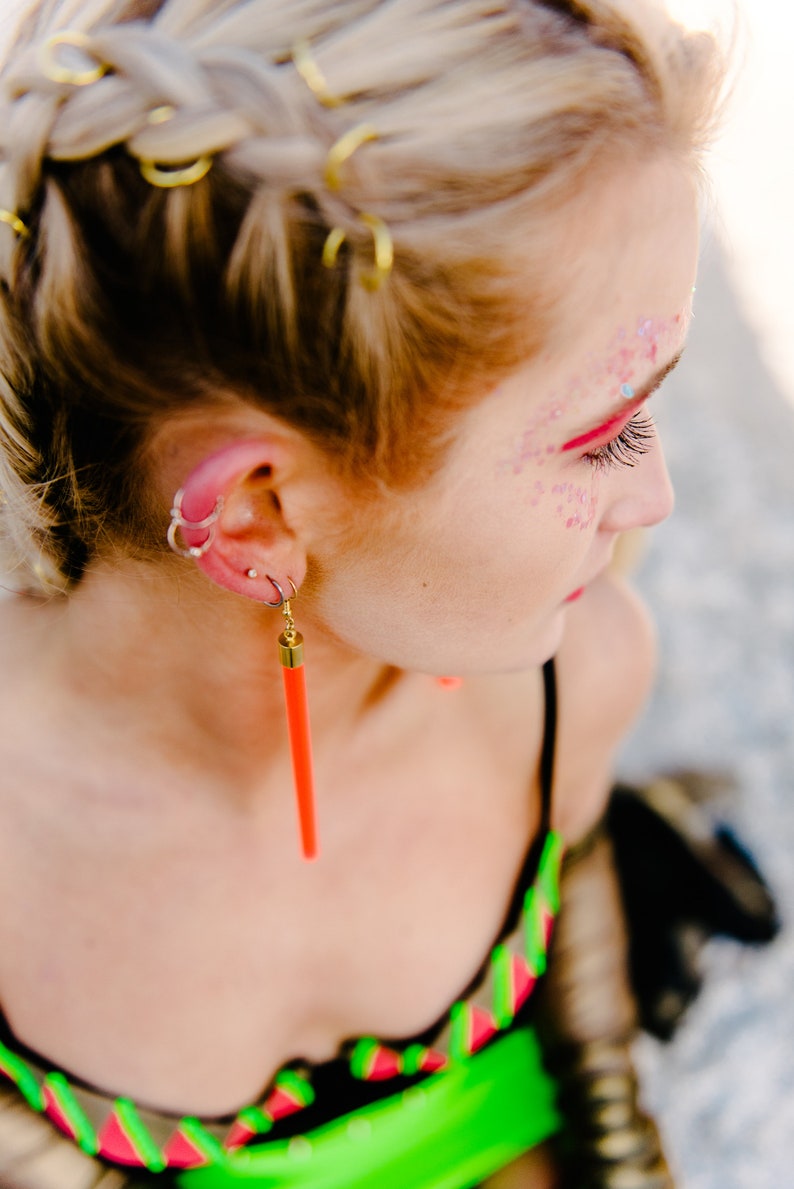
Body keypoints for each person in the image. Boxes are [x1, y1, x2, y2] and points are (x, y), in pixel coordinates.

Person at [0, 1, 724, 1185]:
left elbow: (595, 1089)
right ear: (256, 515)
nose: (653, 495)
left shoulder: (575, 681)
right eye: (597, 434)